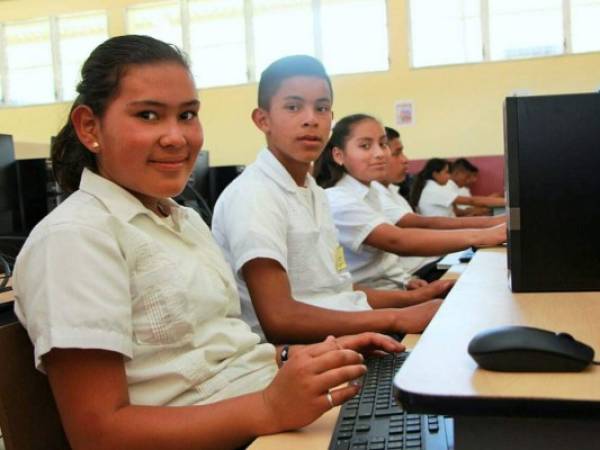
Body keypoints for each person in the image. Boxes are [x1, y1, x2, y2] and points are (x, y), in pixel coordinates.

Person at [12, 36, 404, 450]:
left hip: (266, 413)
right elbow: (98, 434)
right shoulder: (77, 237)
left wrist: (314, 357)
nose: (176, 137)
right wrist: (269, 408)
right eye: (148, 115)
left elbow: (220, 351)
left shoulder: (184, 221)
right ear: (90, 127)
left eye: (187, 115)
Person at [212, 55, 448, 345]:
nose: (311, 119)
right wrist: (396, 317)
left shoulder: (313, 192)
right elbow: (280, 320)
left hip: (341, 335)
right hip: (303, 356)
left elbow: (338, 292)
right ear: (263, 120)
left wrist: (411, 300)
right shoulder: (254, 195)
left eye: (321, 108)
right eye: (293, 107)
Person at [313, 114, 506, 287]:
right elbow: (398, 240)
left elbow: (386, 261)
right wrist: (485, 233)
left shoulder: (372, 193)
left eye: (383, 144)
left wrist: (407, 282)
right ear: (339, 155)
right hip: (377, 299)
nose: (380, 153)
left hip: (399, 285)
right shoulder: (338, 198)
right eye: (365, 146)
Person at [371, 127, 505, 281]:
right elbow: (427, 224)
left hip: (427, 261)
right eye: (446, 173)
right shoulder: (432, 189)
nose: (405, 159)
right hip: (418, 268)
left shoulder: (392, 191)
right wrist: (488, 227)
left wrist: (487, 225)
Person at [410, 158, 505, 217]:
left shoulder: (432, 187)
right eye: (447, 172)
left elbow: (459, 210)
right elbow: (471, 201)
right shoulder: (434, 189)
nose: (449, 176)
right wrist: (505, 201)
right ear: (435, 174)